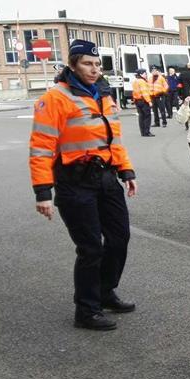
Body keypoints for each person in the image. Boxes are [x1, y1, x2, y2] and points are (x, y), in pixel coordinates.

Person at [29, 39, 138, 331]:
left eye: (97, 64)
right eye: (88, 64)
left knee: (119, 238)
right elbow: (41, 147)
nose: (94, 69)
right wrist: (43, 192)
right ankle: (86, 310)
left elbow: (114, 138)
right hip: (74, 182)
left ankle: (105, 291)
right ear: (73, 65)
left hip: (105, 177)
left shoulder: (103, 94)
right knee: (91, 248)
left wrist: (126, 171)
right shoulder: (55, 98)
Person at [131, 68, 154, 137]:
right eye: (145, 73)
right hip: (143, 101)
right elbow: (145, 92)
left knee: (141, 116)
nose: (146, 75)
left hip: (137, 101)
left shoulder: (135, 81)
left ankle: (143, 132)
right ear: (141, 74)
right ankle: (147, 132)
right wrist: (149, 101)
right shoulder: (142, 81)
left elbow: (134, 92)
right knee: (147, 116)